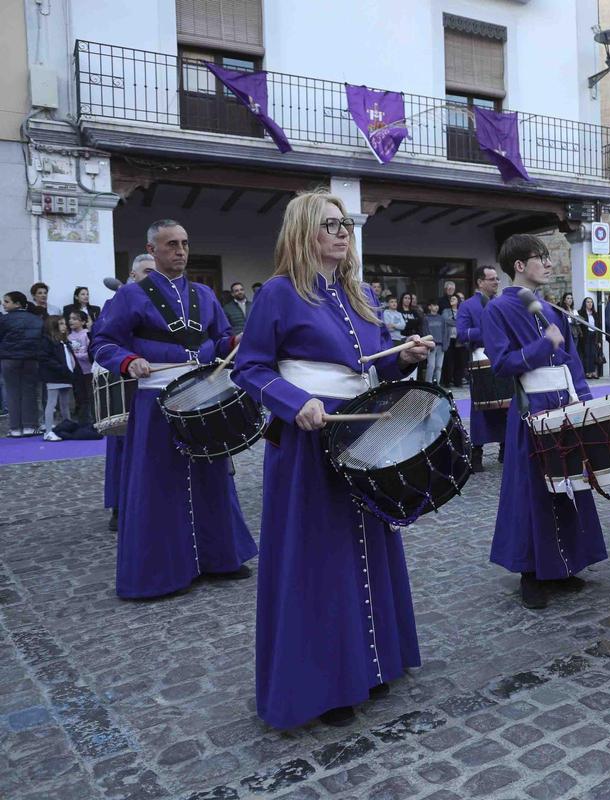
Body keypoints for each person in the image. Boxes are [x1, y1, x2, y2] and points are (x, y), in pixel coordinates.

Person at [232, 193, 429, 729]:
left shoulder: (360, 294)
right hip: (308, 443)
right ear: (302, 232)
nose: (343, 234)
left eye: (346, 225)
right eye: (330, 225)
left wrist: (404, 359)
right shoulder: (278, 293)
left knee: (368, 544)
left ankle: (373, 661)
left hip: (364, 437)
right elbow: (249, 369)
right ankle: (325, 682)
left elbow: (374, 369)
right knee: (320, 558)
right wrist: (297, 404)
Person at [90, 219, 256, 599]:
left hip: (203, 394)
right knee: (160, 485)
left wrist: (236, 340)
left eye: (184, 243)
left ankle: (220, 558)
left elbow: (216, 341)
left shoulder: (204, 293)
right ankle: (162, 572)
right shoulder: (129, 297)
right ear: (152, 250)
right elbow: (102, 341)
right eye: (171, 245)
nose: (180, 251)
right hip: (155, 398)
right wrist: (128, 360)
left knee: (212, 477)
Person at [482, 233, 606, 610]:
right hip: (530, 409)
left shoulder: (551, 311)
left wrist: (584, 401)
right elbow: (502, 363)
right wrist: (542, 347)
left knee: (568, 486)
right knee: (532, 491)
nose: (549, 264)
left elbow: (572, 361)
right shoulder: (497, 310)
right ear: (519, 265)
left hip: (564, 406)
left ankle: (565, 564)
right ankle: (530, 573)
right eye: (542, 257)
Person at [101, 254, 158, 532]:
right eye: (147, 271)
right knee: (123, 445)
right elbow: (104, 342)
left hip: (162, 383)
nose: (152, 276)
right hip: (128, 382)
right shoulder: (117, 302)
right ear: (133, 276)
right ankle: (119, 506)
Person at [458, 265, 505, 470]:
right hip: (480, 360)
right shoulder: (467, 306)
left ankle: (506, 449)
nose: (496, 282)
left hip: (503, 359)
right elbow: (462, 334)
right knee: (481, 410)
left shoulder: (502, 304)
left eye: (497, 279)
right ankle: (476, 454)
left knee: (507, 406)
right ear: (480, 282)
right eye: (492, 279)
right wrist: (488, 331)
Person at [0, 291, 44, 437]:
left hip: (9, 359)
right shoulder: (36, 320)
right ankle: (30, 426)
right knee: (29, 392)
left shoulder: (4, 320)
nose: (3, 304)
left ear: (17, 303)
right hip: (31, 359)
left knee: (12, 393)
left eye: (7, 301)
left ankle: (15, 428)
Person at [38, 316, 77, 441]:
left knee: (65, 403)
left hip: (65, 376)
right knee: (52, 403)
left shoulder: (64, 342)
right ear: (53, 326)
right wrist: (61, 368)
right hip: (54, 376)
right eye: (61, 324)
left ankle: (68, 425)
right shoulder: (47, 341)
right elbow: (45, 358)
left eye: (64, 323)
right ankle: (48, 431)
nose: (65, 326)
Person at [66, 310, 93, 425]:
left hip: (88, 371)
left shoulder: (87, 334)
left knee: (90, 396)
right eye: (70, 318)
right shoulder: (68, 336)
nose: (71, 321)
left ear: (83, 322)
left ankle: (92, 420)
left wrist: (76, 355)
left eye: (75, 319)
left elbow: (90, 353)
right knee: (80, 397)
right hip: (76, 371)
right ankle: (82, 421)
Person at [424, 299, 449, 385]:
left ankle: (437, 384)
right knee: (431, 365)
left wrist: (445, 344)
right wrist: (428, 344)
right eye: (434, 305)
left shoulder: (441, 318)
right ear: (429, 307)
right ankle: (428, 384)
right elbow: (425, 332)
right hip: (431, 345)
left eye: (437, 305)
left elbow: (445, 332)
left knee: (439, 366)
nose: (436, 307)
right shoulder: (426, 318)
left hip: (441, 345)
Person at [577, 297, 602, 379]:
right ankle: (588, 372)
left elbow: (598, 327)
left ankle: (594, 371)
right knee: (587, 354)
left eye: (591, 302)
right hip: (586, 336)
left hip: (594, 335)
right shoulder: (581, 313)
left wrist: (599, 340)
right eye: (588, 302)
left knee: (594, 354)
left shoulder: (595, 313)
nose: (590, 304)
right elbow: (579, 325)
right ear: (584, 303)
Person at [442, 294, 465, 386]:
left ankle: (458, 382)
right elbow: (445, 321)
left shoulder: (462, 311)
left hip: (459, 339)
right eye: (451, 298)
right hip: (449, 339)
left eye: (454, 298)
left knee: (459, 361)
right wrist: (457, 322)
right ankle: (447, 381)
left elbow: (463, 323)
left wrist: (454, 322)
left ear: (458, 301)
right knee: (449, 361)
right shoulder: (446, 311)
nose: (452, 300)